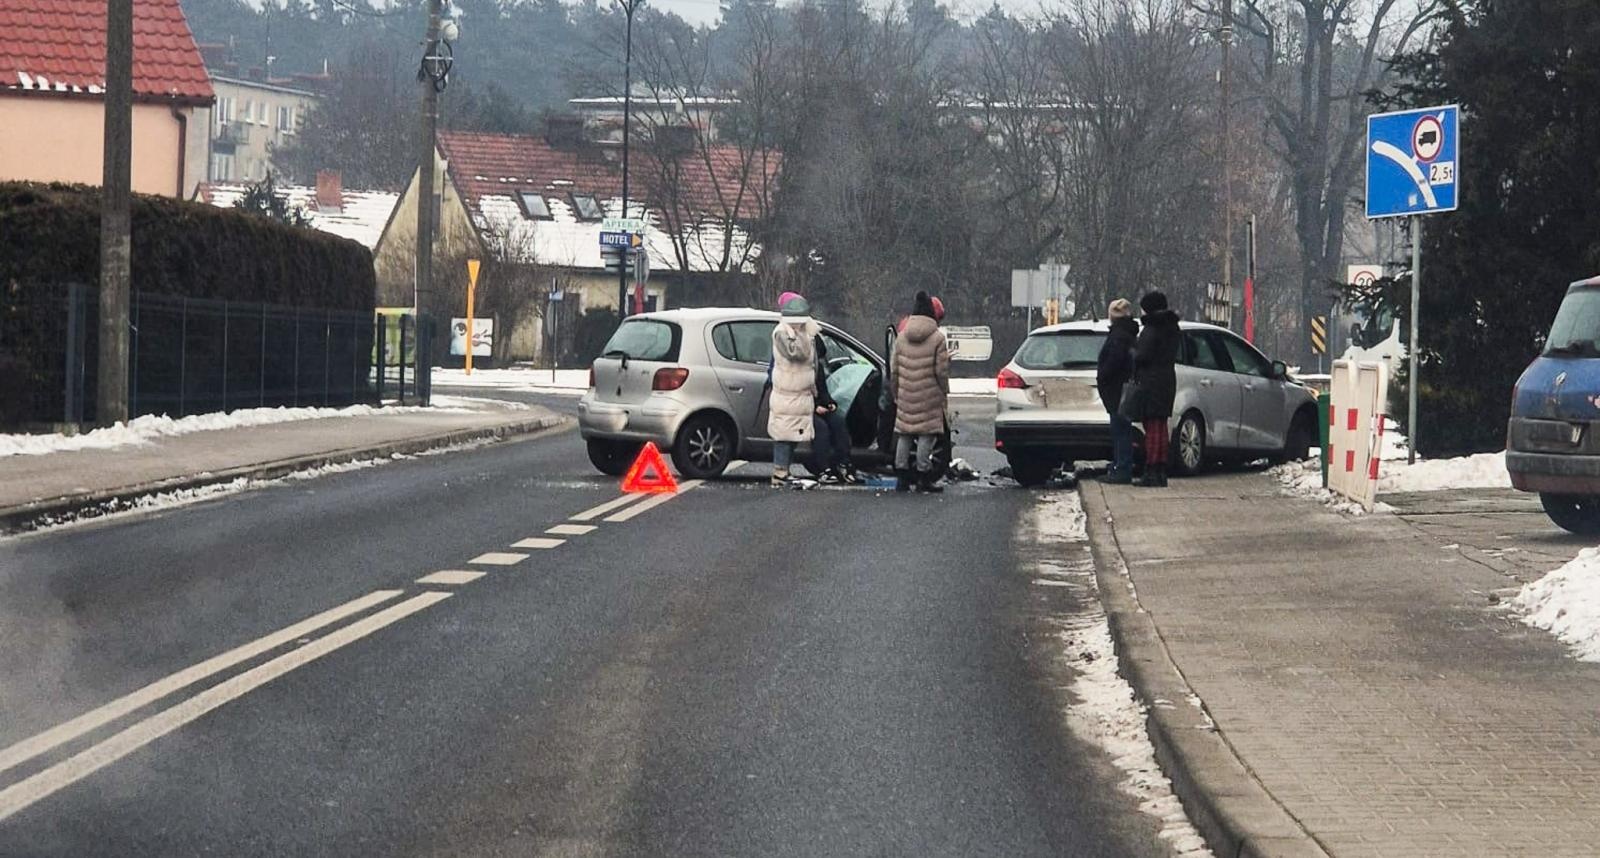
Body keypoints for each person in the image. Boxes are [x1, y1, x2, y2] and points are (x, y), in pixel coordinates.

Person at [892, 290, 951, 493]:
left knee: (905, 434)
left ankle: (901, 476)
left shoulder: (901, 338)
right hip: (929, 394)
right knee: (927, 434)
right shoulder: (937, 338)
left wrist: (896, 392)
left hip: (906, 392)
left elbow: (894, 370)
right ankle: (923, 476)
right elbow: (941, 371)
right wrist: (944, 391)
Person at [1131, 290, 1181, 487]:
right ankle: (1160, 468)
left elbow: (1142, 355)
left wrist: (1133, 353)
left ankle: (1151, 469)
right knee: (1160, 426)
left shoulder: (1152, 328)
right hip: (1167, 379)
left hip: (1151, 381)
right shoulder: (1172, 327)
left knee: (1151, 427)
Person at [768, 297, 820, 487]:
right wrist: (808, 336)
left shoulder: (800, 333)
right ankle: (780, 472)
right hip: (787, 394)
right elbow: (796, 353)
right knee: (784, 434)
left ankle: (784, 470)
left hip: (800, 393)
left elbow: (812, 362)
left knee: (793, 434)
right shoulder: (782, 333)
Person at [1097, 298, 1138, 484]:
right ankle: (1121, 466)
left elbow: (1114, 361)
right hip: (1121, 387)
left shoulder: (1119, 336)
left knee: (1120, 430)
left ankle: (1122, 468)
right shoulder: (1129, 334)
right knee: (1122, 429)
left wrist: (1103, 376)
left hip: (1117, 389)